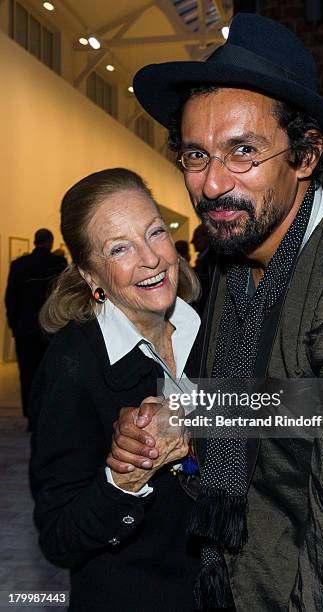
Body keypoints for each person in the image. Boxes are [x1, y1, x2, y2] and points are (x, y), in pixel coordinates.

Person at [110, 13, 323, 611]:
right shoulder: (236, 257)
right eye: (196, 155)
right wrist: (178, 418)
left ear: (304, 156)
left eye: (242, 151)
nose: (213, 184)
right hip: (231, 582)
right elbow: (287, 403)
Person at [29, 168, 202, 611]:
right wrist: (125, 479)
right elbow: (59, 540)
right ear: (91, 276)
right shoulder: (73, 365)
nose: (151, 258)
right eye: (120, 248)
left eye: (155, 233)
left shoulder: (209, 325)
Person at [5, 228, 66, 427]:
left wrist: (15, 325)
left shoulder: (18, 265)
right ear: (50, 242)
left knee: (27, 373)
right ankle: (46, 415)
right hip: (50, 328)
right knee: (49, 373)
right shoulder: (57, 264)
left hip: (25, 328)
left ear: (34, 242)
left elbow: (10, 299)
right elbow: (62, 299)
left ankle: (31, 416)